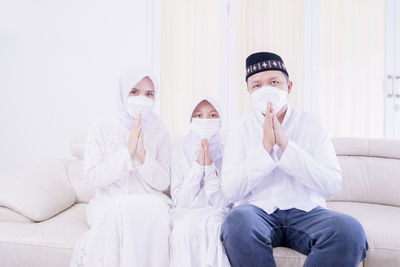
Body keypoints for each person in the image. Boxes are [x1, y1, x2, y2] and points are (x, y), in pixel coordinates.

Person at [220, 52, 368, 267]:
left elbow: (330, 185)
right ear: (249, 92)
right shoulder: (240, 129)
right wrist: (265, 148)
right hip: (257, 212)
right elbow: (231, 190)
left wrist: (286, 146)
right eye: (257, 86)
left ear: (288, 87)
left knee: (349, 230)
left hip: (307, 211)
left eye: (274, 82)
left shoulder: (313, 124)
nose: (266, 90)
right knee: (237, 222)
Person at [70, 68, 171, 267]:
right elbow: (91, 177)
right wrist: (127, 151)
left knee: (157, 213)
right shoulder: (100, 127)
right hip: (111, 201)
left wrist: (142, 154)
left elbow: (163, 182)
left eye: (149, 94)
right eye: (134, 92)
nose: (142, 98)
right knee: (123, 212)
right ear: (122, 93)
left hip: (149, 199)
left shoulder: (160, 130)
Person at [170, 97, 231, 267]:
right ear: (190, 121)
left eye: (212, 116)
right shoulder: (178, 153)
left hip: (216, 214)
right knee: (183, 232)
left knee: (215, 228)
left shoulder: (228, 152)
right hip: (186, 215)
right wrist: (198, 167)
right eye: (198, 115)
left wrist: (210, 167)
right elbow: (181, 202)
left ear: (220, 122)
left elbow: (223, 203)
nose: (205, 121)